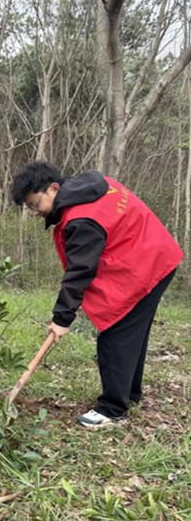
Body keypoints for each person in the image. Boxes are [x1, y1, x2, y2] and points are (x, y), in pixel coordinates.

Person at [11, 162, 183, 429]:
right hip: (156, 254)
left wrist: (62, 318)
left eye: (35, 204)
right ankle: (130, 394)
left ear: (54, 188)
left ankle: (113, 409)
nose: (35, 212)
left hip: (147, 264)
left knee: (116, 334)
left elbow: (80, 271)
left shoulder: (81, 218)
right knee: (132, 333)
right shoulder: (90, 187)